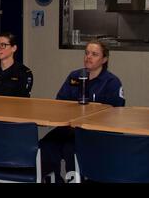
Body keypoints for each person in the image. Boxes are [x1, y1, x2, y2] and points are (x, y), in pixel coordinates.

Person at [40, 40, 125, 183]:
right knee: (46, 145)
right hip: (70, 127)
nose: (88, 57)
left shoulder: (112, 82)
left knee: (70, 149)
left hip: (94, 131)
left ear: (104, 59)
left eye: (94, 54)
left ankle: (76, 180)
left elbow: (117, 112)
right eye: (86, 53)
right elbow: (60, 102)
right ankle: (53, 179)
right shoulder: (74, 76)